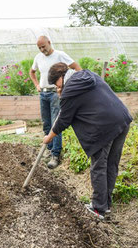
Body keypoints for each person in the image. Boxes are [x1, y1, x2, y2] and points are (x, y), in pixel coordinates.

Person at [43, 62, 132, 220]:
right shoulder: (88, 74)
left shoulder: (69, 90)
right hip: (121, 119)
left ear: (60, 78)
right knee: (111, 164)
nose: (56, 88)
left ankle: (98, 209)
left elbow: (63, 120)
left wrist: (48, 137)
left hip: (103, 127)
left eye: (55, 84)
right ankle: (105, 206)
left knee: (98, 166)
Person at [30, 36, 81, 169]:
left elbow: (76, 67)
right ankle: (50, 149)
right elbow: (32, 72)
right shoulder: (38, 58)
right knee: (46, 122)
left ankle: (55, 155)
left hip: (55, 93)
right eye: (39, 48)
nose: (42, 50)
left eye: (44, 47)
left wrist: (72, 86)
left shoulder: (60, 55)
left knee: (56, 123)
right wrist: (36, 84)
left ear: (49, 43)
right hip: (43, 93)